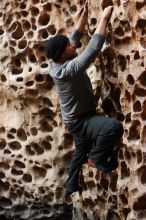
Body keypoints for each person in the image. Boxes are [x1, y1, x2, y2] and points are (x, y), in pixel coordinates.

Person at [44, 2, 123, 195]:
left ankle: (71, 185)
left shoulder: (59, 58)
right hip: (81, 120)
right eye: (69, 46)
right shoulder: (66, 71)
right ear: (64, 53)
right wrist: (104, 18)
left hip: (74, 119)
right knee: (113, 127)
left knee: (80, 151)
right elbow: (92, 50)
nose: (73, 45)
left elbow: (75, 35)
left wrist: (84, 15)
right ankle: (96, 158)